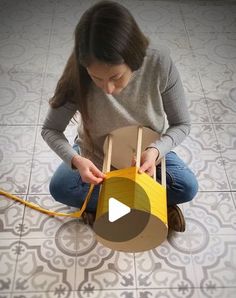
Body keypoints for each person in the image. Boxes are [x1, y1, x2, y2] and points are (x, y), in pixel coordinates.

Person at [41, 0, 198, 232]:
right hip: (95, 154)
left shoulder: (158, 61)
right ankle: (151, 205)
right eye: (97, 78)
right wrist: (77, 161)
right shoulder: (78, 71)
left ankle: (113, 205)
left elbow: (182, 124)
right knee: (61, 188)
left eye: (116, 77)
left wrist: (155, 151)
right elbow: (50, 129)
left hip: (145, 157)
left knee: (187, 187)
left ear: (134, 59)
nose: (108, 89)